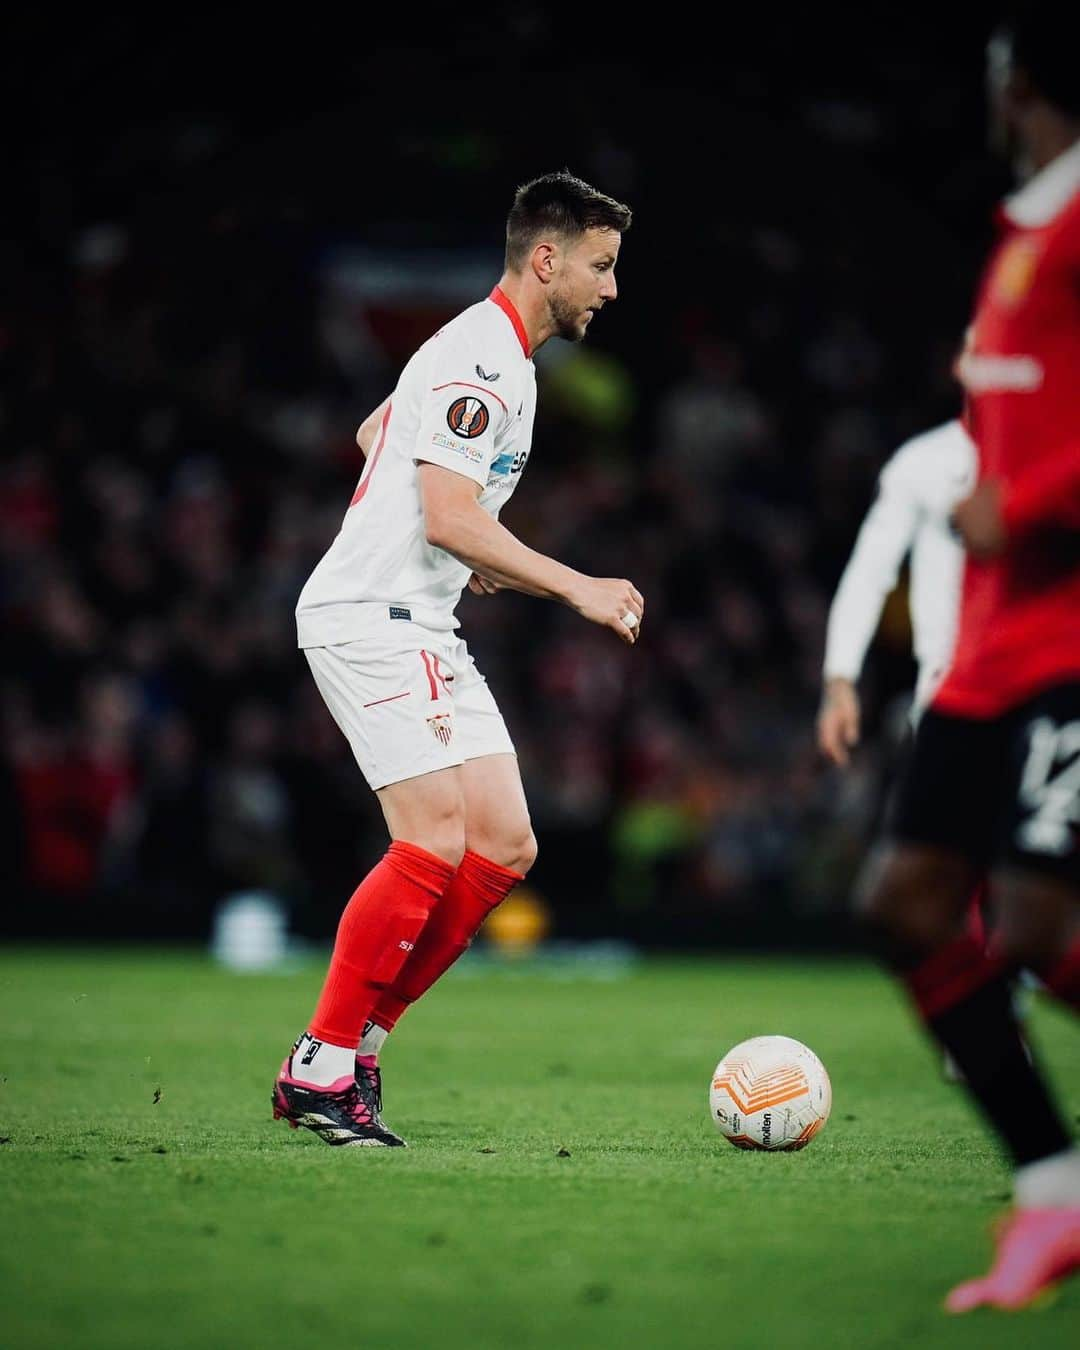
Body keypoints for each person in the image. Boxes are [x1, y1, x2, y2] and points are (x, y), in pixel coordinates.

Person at [272, 171, 642, 1147]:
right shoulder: (485, 358)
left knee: (504, 843)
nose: (610, 288)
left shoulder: (497, 358)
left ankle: (360, 1052)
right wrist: (574, 584)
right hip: (368, 614)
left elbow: (377, 435)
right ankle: (319, 1066)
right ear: (547, 258)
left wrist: (451, 533)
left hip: (422, 615)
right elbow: (444, 509)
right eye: (601, 266)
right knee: (431, 838)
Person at [855, 10, 1080, 1312]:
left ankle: (1052, 1194)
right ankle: (1053, 1196)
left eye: (997, 68)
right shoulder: (1026, 228)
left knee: (1044, 928)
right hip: (992, 644)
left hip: (1067, 632)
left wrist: (1037, 501)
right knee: (904, 905)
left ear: (1027, 81)